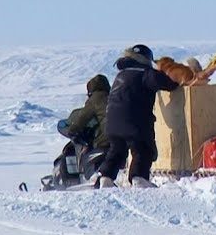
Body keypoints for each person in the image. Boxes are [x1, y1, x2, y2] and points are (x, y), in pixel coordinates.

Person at [94, 44, 179, 188]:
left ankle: (106, 178)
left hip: (112, 122)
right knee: (143, 148)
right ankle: (139, 177)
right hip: (134, 120)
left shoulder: (121, 74)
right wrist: (175, 81)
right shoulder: (145, 72)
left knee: (116, 150)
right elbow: (167, 83)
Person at [66, 74, 111, 180]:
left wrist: (72, 130)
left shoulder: (95, 99)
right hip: (122, 138)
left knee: (89, 153)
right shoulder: (114, 96)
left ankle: (91, 177)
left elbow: (82, 118)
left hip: (105, 140)